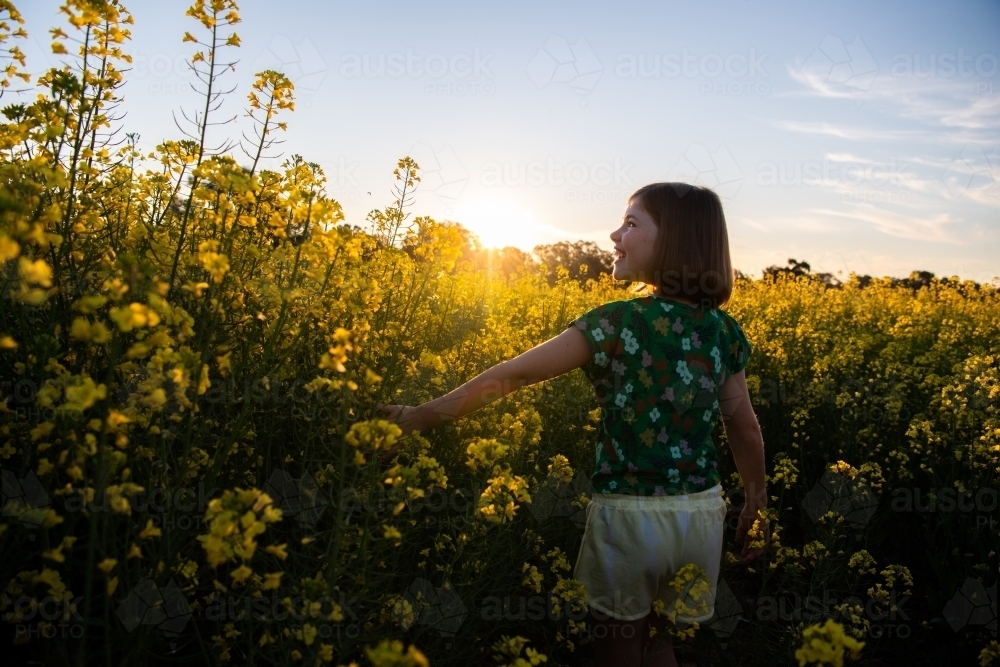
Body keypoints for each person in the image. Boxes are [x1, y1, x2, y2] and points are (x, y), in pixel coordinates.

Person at [377, 182, 768, 667]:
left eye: (630, 223)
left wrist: (418, 416)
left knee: (618, 649)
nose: (613, 233)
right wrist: (757, 504)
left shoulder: (617, 323)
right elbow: (744, 427)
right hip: (701, 516)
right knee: (660, 644)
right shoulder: (723, 330)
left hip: (631, 517)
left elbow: (514, 375)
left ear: (675, 242)